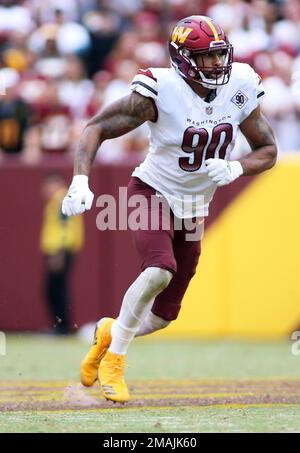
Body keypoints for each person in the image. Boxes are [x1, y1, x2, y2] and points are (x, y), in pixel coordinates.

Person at [62, 15, 277, 403]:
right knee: (160, 270)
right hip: (153, 191)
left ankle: (109, 332)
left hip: (194, 206)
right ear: (183, 59)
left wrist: (236, 166)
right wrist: (80, 179)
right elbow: (96, 127)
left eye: (218, 54)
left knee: (163, 316)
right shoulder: (161, 90)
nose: (216, 63)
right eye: (206, 57)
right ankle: (116, 361)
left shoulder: (240, 84)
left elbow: (269, 150)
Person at [41, 173, 84, 334]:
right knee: (56, 288)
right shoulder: (62, 199)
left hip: (60, 250)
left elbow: (64, 228)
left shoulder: (61, 200)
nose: (46, 190)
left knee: (55, 289)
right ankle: (62, 326)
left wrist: (58, 252)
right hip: (61, 250)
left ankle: (62, 327)